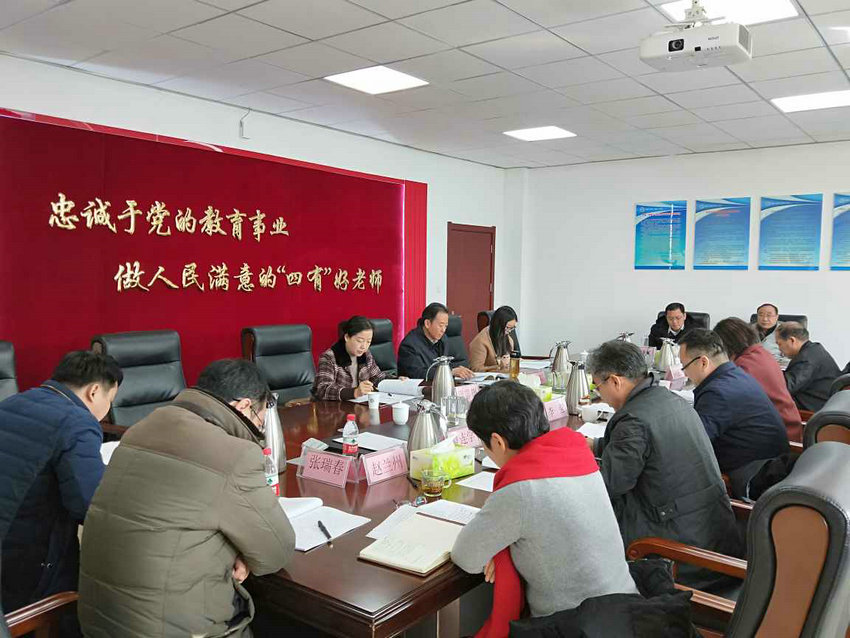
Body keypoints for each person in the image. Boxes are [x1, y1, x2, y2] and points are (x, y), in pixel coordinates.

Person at [78, 359, 295, 638]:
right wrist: (241, 551)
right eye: (260, 418)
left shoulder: (140, 429)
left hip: (96, 622)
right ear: (243, 406)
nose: (259, 428)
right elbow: (276, 551)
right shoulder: (233, 455)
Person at [451, 381, 637, 636]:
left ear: (497, 441)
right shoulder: (578, 455)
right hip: (627, 614)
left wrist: (500, 549)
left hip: (575, 627)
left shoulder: (521, 489)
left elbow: (466, 557)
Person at [585, 340, 740, 588]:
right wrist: (595, 445)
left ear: (615, 381)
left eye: (598, 386)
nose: (599, 394)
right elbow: (651, 444)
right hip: (712, 535)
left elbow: (609, 487)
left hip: (680, 556)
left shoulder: (632, 420)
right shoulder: (668, 399)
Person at [0, 351, 121, 623]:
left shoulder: (13, 401)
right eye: (110, 401)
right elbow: (87, 504)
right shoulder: (77, 423)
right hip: (23, 559)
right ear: (94, 391)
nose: (106, 412)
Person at [678, 329, 789, 483]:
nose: (685, 374)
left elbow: (695, 444)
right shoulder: (736, 375)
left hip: (756, 476)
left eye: (684, 366)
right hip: (772, 463)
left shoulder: (717, 392)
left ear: (703, 362)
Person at [714, 317, 804, 443]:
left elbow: (727, 404)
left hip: (777, 435)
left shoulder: (743, 366)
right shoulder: (761, 353)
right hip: (788, 425)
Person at [312, 316, 389, 401]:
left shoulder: (366, 355)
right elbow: (322, 389)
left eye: (368, 342)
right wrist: (354, 392)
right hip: (334, 408)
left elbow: (377, 377)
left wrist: (397, 380)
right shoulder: (329, 357)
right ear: (347, 337)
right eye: (360, 341)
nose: (364, 346)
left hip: (358, 405)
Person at [776, 322, 842, 413]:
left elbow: (786, 387)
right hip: (821, 400)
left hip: (814, 406)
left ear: (792, 340)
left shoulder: (805, 359)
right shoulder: (813, 349)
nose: (779, 350)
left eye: (779, 344)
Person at [397, 303, 474, 380]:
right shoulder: (409, 345)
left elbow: (446, 364)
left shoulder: (443, 339)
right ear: (427, 324)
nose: (443, 330)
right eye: (441, 325)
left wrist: (459, 370)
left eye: (446, 326)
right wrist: (449, 372)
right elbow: (417, 374)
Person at [468, 306, 518, 372]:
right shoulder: (480, 341)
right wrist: (499, 366)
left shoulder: (508, 339)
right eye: (507, 328)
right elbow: (475, 369)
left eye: (512, 328)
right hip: (488, 377)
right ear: (498, 325)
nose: (509, 331)